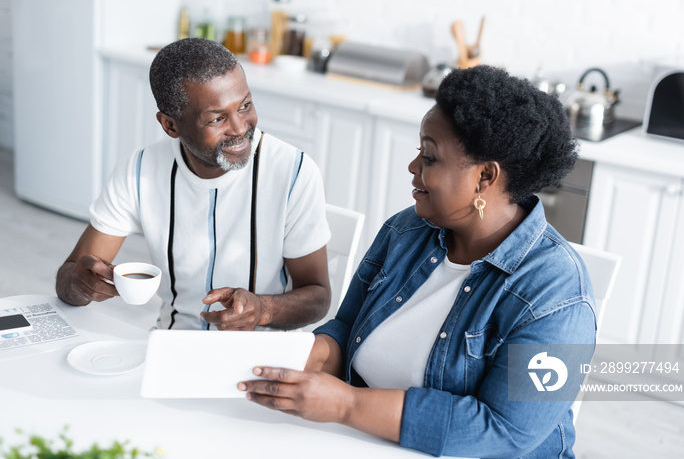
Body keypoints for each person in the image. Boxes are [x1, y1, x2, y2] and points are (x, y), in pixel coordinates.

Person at [238, 65, 597, 457]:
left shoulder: (558, 294)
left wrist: (347, 405)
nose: (413, 168)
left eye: (429, 157)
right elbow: (347, 326)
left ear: (484, 178)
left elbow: (503, 432)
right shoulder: (406, 231)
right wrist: (306, 357)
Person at [56, 38, 331, 331]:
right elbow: (68, 278)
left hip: (263, 356)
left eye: (245, 105)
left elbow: (318, 298)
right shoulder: (138, 171)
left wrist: (263, 309)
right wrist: (80, 284)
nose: (240, 128)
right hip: (172, 346)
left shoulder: (294, 172)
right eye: (217, 119)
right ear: (170, 125)